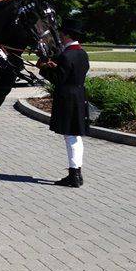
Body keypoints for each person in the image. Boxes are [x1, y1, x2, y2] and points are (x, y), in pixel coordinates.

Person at [37, 19, 90, 188]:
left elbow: (58, 79)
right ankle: (77, 172)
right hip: (79, 95)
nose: (59, 34)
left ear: (67, 35)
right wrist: (55, 66)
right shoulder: (81, 53)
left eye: (62, 32)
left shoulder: (67, 55)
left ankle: (74, 174)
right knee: (75, 136)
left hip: (68, 98)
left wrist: (44, 68)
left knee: (71, 136)